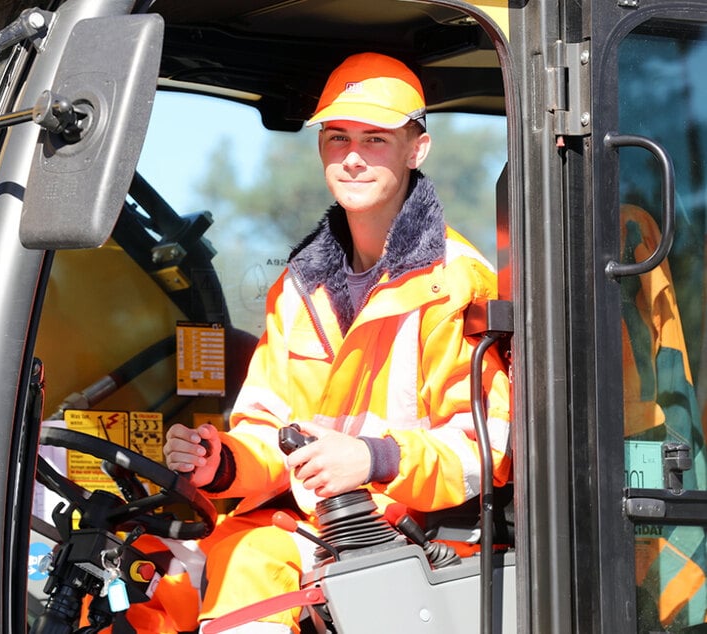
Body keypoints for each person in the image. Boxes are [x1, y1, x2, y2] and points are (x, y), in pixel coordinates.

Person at [162, 52, 512, 633]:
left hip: (429, 549)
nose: (352, 157)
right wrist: (220, 462)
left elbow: (487, 445)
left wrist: (373, 459)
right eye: (337, 137)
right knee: (194, 565)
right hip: (327, 531)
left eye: (375, 139)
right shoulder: (300, 286)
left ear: (416, 148)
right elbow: (268, 429)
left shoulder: (453, 281)